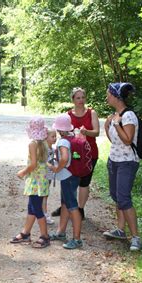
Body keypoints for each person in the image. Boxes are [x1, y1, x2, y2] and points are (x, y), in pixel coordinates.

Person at [102, 82, 142, 251]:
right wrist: (108, 124)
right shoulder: (115, 115)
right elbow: (115, 140)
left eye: (108, 94)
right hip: (114, 160)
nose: (106, 97)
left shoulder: (129, 116)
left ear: (116, 97)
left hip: (127, 162)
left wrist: (117, 124)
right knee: (116, 195)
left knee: (124, 198)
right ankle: (120, 230)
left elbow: (127, 140)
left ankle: (136, 238)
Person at [51, 88, 100, 219]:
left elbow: (97, 132)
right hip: (72, 153)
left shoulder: (91, 113)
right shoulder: (68, 115)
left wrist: (86, 132)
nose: (81, 100)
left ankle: (80, 209)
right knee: (67, 179)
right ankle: (65, 206)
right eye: (78, 98)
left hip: (89, 152)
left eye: (83, 97)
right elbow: (62, 132)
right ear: (72, 99)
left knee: (84, 182)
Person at [10, 117, 50, 248]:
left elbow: (33, 164)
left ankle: (45, 236)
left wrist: (22, 172)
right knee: (31, 207)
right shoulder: (43, 142)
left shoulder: (32, 144)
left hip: (35, 182)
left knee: (37, 209)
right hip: (40, 181)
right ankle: (25, 233)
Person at [48, 114, 83, 249]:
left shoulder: (63, 141)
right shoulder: (72, 137)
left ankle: (77, 239)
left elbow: (64, 158)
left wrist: (56, 169)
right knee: (65, 204)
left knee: (73, 207)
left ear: (59, 130)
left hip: (67, 177)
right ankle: (61, 232)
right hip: (72, 176)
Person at [43, 128, 57, 225]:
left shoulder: (52, 149)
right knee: (44, 195)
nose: (55, 138)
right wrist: (51, 166)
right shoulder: (44, 149)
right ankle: (44, 214)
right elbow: (43, 161)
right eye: (53, 136)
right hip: (43, 176)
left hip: (49, 176)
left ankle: (42, 213)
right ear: (45, 137)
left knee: (45, 195)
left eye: (56, 136)